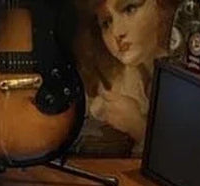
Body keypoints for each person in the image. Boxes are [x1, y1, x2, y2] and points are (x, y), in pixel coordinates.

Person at [74, 0, 177, 154]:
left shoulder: (184, 84)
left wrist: (138, 127)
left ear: (164, 8)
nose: (117, 32)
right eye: (107, 23)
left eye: (130, 9)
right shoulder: (115, 78)